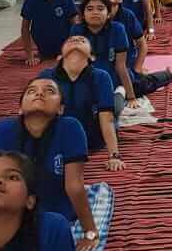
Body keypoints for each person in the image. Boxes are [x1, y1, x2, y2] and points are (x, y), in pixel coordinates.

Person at [0, 78, 105, 251]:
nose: (39, 94)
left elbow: (74, 185)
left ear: (60, 109)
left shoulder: (70, 128)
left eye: (49, 91)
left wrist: (90, 232)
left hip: (58, 212)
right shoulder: (3, 130)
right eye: (31, 91)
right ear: (20, 108)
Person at [38, 37, 123, 173]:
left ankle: (120, 93)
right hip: (62, 138)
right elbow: (39, 114)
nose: (76, 40)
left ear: (91, 56)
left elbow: (106, 118)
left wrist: (114, 155)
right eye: (70, 40)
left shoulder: (101, 77)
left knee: (116, 108)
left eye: (82, 41)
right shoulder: (46, 76)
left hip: (94, 139)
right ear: (60, 56)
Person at [97, 0, 172, 97]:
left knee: (137, 87)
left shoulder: (127, 16)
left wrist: (137, 68)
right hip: (104, 64)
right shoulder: (95, 18)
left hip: (126, 63)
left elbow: (142, 44)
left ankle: (167, 74)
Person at [75, 0, 135, 104]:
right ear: (83, 15)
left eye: (100, 8)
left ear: (108, 14)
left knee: (144, 84)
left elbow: (121, 65)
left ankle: (166, 75)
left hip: (115, 78)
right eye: (90, 9)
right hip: (88, 79)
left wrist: (131, 97)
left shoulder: (117, 29)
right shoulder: (76, 30)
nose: (95, 12)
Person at [19, 0, 77, 64]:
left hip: (65, 44)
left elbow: (75, 25)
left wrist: (72, 50)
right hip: (43, 46)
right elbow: (25, 28)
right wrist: (30, 55)